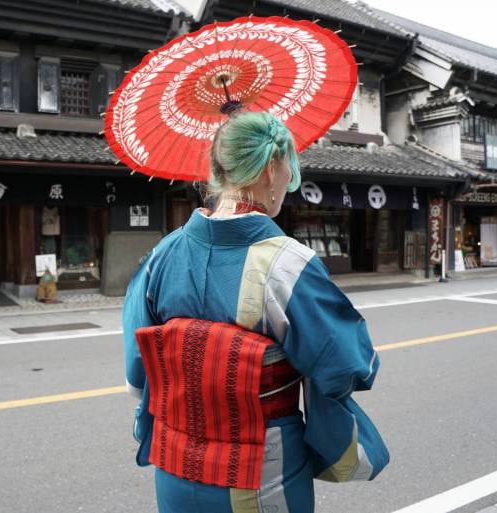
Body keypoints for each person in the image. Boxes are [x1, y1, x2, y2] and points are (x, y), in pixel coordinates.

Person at [123, 112, 388, 513]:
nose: (288, 181)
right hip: (260, 473)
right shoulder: (288, 265)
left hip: (175, 466)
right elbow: (348, 366)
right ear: (270, 168)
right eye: (289, 168)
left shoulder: (161, 256)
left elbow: (137, 376)